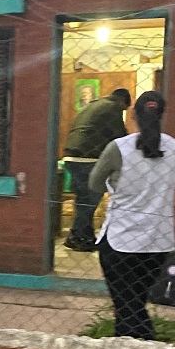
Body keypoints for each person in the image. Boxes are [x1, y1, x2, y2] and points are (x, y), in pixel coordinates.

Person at [89, 91, 175, 340]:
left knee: (126, 306)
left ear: (133, 114)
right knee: (135, 301)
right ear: (162, 115)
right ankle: (135, 345)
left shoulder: (119, 148)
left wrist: (115, 183)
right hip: (158, 241)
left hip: (121, 239)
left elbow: (94, 183)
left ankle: (140, 344)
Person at [63, 88, 132, 251]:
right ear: (122, 102)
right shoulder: (113, 108)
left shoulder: (93, 105)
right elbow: (120, 136)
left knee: (83, 200)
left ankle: (82, 236)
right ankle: (79, 237)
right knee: (91, 200)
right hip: (89, 157)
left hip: (71, 155)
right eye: (124, 109)